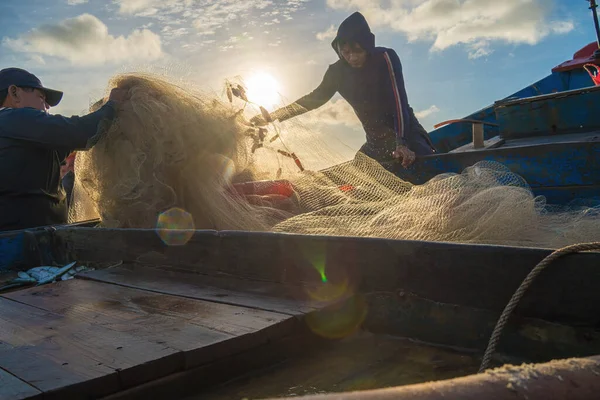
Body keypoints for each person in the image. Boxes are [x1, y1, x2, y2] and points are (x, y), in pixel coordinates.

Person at [251, 12, 436, 168]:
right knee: (358, 177)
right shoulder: (336, 73)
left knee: (425, 164)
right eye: (346, 52)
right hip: (376, 143)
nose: (352, 57)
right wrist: (272, 117)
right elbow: (313, 100)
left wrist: (402, 142)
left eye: (357, 51)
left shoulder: (385, 58)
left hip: (407, 133)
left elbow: (399, 102)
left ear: (367, 45)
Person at [0, 67, 126, 231]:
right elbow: (78, 132)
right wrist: (112, 105)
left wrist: (99, 113)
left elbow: (71, 139)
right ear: (15, 93)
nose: (47, 107)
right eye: (41, 98)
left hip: (30, 240)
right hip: (23, 244)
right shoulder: (12, 118)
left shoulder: (18, 134)